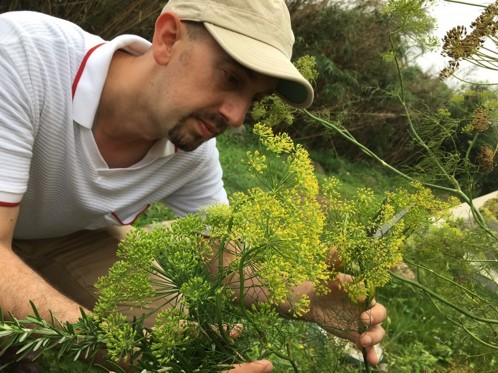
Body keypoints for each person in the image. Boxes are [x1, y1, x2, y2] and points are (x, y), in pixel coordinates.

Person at [0, 0, 386, 371]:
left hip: (67, 233)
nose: (236, 116)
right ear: (169, 38)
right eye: (231, 78)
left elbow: (222, 255)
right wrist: (119, 348)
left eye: (254, 97)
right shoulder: (24, 57)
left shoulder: (193, 152)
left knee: (177, 337)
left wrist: (310, 298)